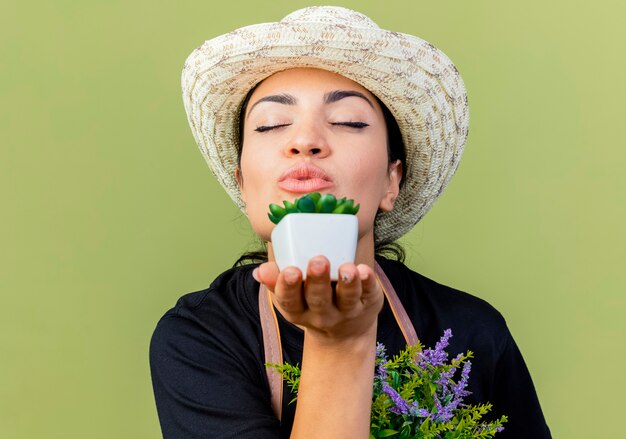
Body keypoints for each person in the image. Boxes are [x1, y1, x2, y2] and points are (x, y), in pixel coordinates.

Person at [150, 6, 551, 438]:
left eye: (347, 121)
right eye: (271, 125)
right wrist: (339, 341)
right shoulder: (201, 337)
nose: (304, 142)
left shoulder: (471, 332)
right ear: (244, 184)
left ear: (390, 181)